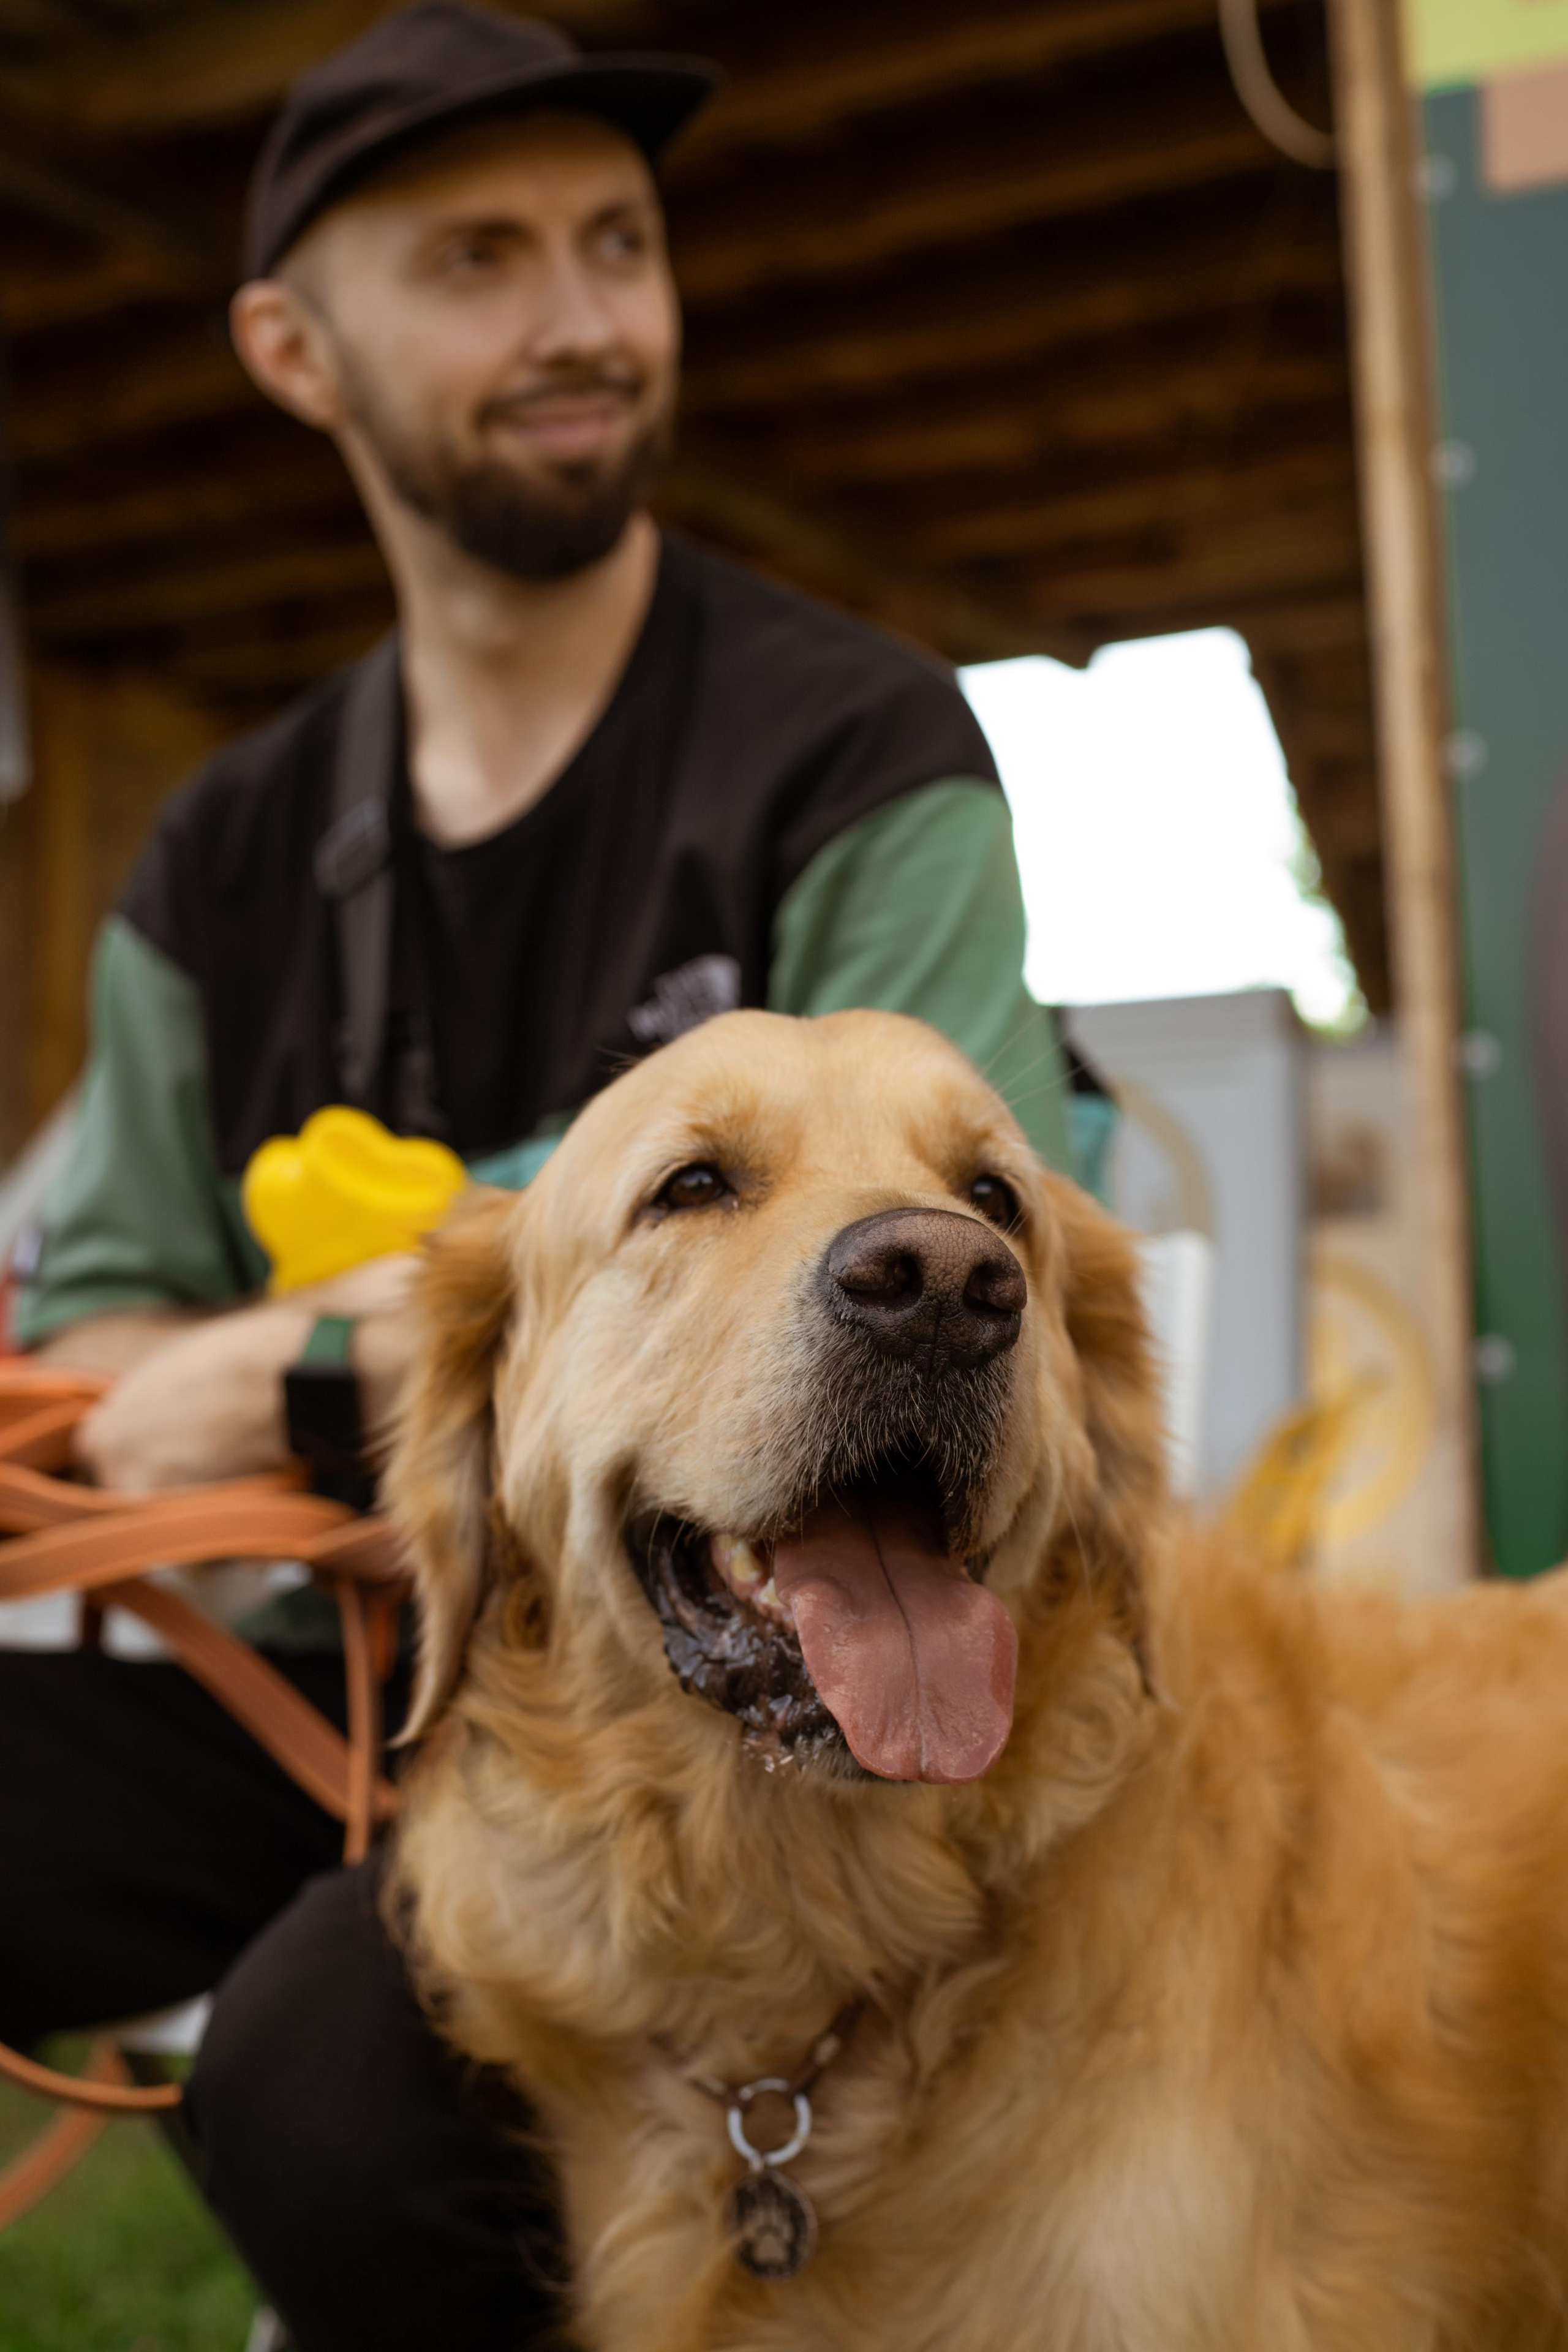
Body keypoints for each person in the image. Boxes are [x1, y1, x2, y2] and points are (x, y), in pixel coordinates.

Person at [7, 7, 1075, 2345]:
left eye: (617, 244)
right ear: (295, 350)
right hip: (312, 1666)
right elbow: (98, 1334)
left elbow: (1004, 1207)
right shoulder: (219, 855)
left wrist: (297, 1358)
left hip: (711, 1718)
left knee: (323, 2097)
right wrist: (188, 1389)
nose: (582, 317)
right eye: (479, 260)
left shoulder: (863, 744)